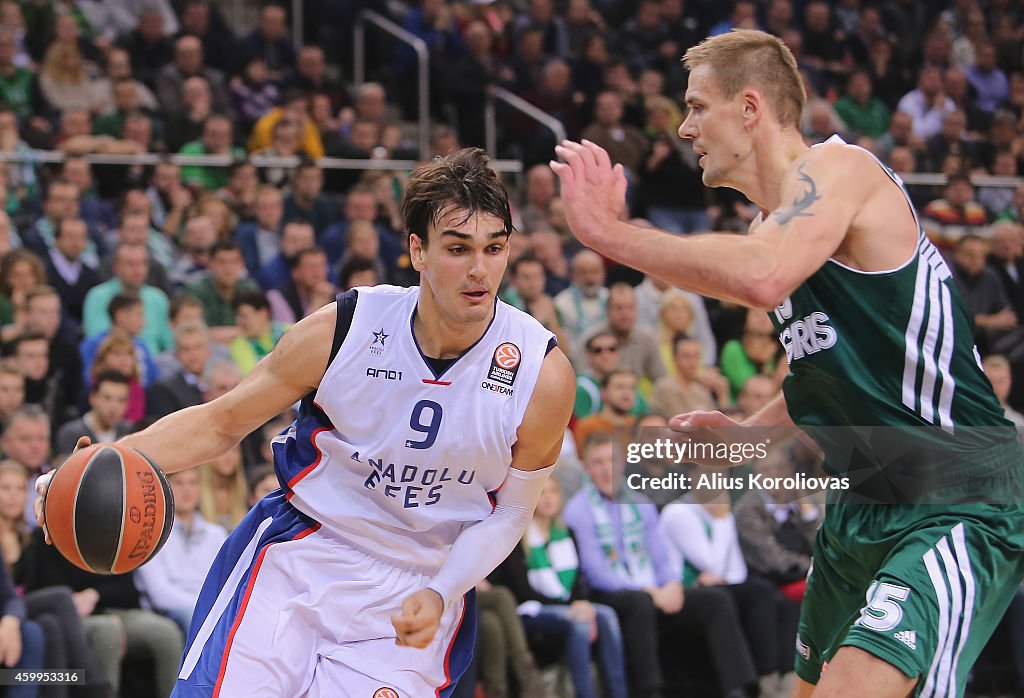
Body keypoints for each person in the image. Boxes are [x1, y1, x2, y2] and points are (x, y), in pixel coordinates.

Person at [551, 28, 1024, 698]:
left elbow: (762, 278)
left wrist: (609, 235)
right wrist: (752, 435)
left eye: (696, 107)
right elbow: (817, 372)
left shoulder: (842, 171)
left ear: (749, 108)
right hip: (865, 497)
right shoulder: (768, 230)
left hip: (954, 493)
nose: (685, 128)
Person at [36, 148, 575, 696]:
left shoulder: (541, 373)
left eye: (495, 248)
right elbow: (222, 421)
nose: (480, 269)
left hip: (422, 582)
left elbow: (510, 511)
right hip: (304, 550)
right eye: (458, 249)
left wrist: (443, 590)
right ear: (417, 250)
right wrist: (95, 468)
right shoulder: (347, 328)